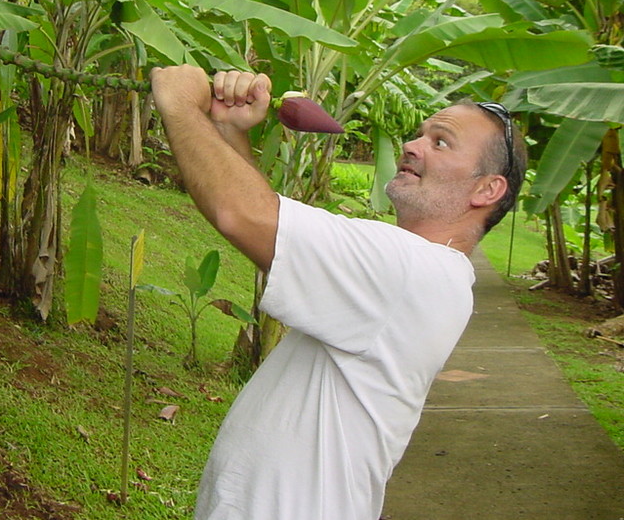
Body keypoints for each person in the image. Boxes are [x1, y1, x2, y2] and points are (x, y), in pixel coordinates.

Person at [148, 65, 526, 520]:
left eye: (440, 142)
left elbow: (244, 213)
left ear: (487, 189)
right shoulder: (422, 273)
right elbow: (273, 229)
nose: (412, 146)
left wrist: (180, 102)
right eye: (420, 135)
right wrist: (229, 130)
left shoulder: (415, 271)